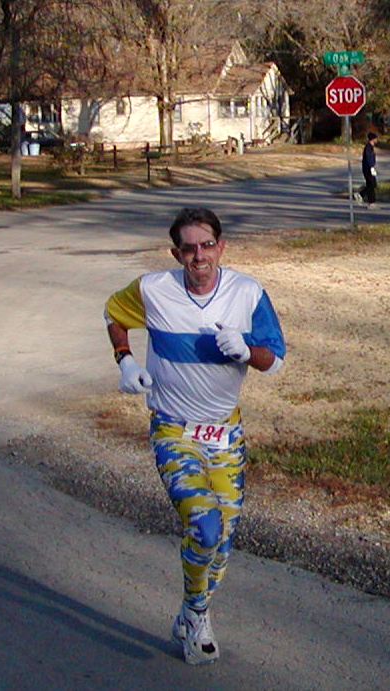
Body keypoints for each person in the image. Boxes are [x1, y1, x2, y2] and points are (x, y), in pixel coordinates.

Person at [104, 207, 286, 666]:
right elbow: (113, 313)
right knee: (203, 527)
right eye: (188, 247)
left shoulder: (247, 292)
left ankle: (190, 609)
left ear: (221, 248)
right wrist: (125, 359)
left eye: (207, 245)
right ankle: (199, 615)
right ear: (176, 253)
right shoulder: (153, 289)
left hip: (226, 434)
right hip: (173, 429)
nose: (198, 256)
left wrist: (248, 350)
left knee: (221, 544)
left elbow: (275, 359)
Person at [358, 132, 378, 208]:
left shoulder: (371, 147)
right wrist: (371, 167)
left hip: (370, 168)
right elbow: (368, 158)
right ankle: (370, 201)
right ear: (372, 139)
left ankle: (363, 196)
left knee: (372, 184)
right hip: (368, 168)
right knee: (372, 184)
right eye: (376, 138)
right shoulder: (368, 147)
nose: (377, 140)